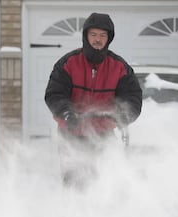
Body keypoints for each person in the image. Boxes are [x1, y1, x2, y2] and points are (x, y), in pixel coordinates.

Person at [44, 12, 142, 188]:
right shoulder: (68, 63)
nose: (98, 39)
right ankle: (72, 210)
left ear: (109, 38)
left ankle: (103, 212)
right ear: (86, 36)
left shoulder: (119, 67)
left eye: (103, 35)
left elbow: (133, 98)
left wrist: (122, 116)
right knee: (74, 180)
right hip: (71, 132)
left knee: (104, 180)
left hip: (103, 135)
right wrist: (66, 113)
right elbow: (54, 94)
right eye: (94, 34)